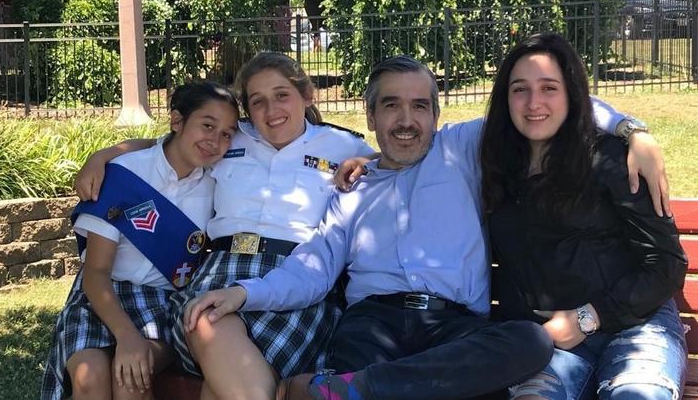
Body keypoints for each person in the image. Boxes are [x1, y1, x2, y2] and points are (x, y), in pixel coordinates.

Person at [184, 55, 669, 400]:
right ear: (371, 116)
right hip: (373, 325)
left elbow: (543, 106)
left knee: (529, 342)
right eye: (391, 106)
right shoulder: (351, 190)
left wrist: (632, 131)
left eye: (420, 106)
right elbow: (310, 269)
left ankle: (362, 391)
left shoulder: (461, 150)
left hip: (455, 328)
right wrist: (244, 294)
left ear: (437, 116)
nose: (407, 120)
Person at [74, 52, 374, 400]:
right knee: (206, 321)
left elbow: (388, 163)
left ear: (306, 95)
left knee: (218, 384)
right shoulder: (233, 136)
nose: (271, 110)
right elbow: (169, 143)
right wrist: (103, 155)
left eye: (281, 95)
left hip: (297, 277)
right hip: (220, 269)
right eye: (257, 101)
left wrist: (367, 161)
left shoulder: (344, 145)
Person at [479, 32, 687, 399]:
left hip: (637, 326)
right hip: (552, 345)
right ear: (505, 98)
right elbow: (415, 147)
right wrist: (368, 161)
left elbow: (667, 263)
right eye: (520, 89)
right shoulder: (496, 165)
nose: (533, 103)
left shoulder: (611, 159)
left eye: (549, 88)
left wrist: (588, 317)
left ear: (572, 95)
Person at [40, 81, 240, 400]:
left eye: (227, 133)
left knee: (130, 380)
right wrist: (127, 337)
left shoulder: (219, 183)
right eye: (207, 125)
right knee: (89, 377)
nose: (215, 140)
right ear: (177, 121)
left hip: (161, 304)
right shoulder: (125, 174)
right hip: (99, 297)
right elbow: (96, 274)